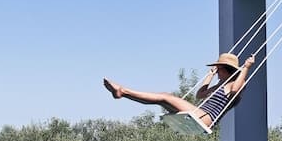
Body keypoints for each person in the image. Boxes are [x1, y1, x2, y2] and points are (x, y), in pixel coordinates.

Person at [102, 52, 256, 128]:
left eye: (219, 68)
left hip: (205, 118)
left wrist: (246, 67)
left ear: (227, 70)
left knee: (165, 97)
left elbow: (235, 90)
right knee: (163, 98)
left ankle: (123, 91)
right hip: (199, 114)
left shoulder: (237, 84)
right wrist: (209, 76)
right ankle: (122, 94)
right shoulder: (219, 86)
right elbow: (199, 95)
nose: (217, 71)